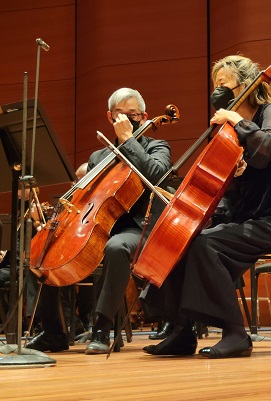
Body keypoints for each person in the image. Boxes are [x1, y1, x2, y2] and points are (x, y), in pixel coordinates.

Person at [143, 54, 271, 359]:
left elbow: (266, 148)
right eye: (215, 84)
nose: (217, 90)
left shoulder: (269, 112)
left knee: (206, 246)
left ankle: (236, 333)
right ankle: (181, 331)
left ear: (245, 85)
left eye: (223, 83)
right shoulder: (231, 132)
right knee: (186, 242)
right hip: (248, 217)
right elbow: (229, 188)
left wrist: (234, 119)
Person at [26, 87, 172, 353]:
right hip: (96, 224)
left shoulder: (157, 147)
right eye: (120, 115)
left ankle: (102, 328)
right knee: (42, 251)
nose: (127, 119)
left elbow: (157, 174)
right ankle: (52, 332)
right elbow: (86, 199)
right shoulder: (99, 157)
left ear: (145, 116)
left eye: (133, 114)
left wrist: (129, 140)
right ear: (109, 118)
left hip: (137, 226)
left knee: (115, 248)